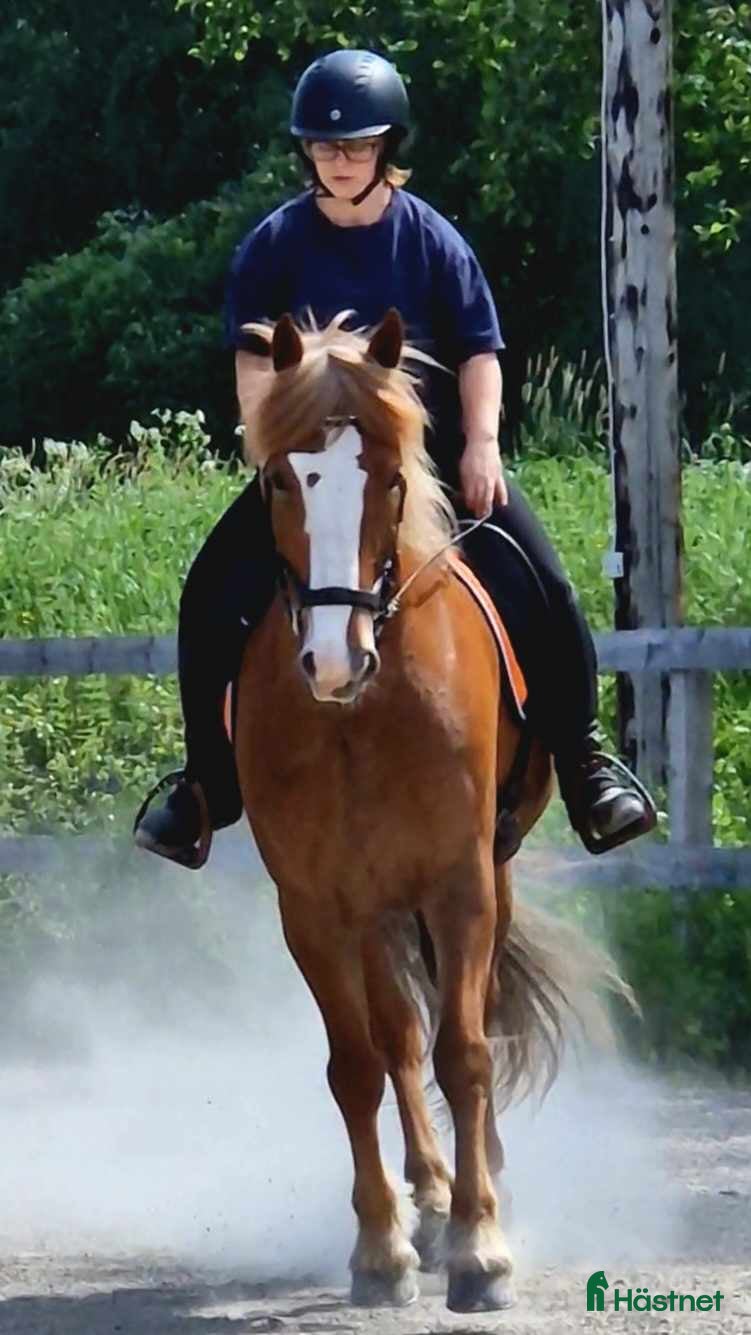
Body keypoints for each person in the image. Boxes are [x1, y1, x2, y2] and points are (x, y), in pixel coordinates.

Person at [134, 48, 655, 869]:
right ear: (305, 151)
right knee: (207, 593)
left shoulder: (431, 241)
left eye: (356, 145)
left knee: (545, 585)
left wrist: (481, 445)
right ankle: (201, 786)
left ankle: (586, 761)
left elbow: (480, 350)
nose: (339, 160)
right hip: (309, 472)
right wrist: (275, 450)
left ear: (386, 147)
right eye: (324, 146)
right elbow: (250, 361)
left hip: (430, 464)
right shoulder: (271, 245)